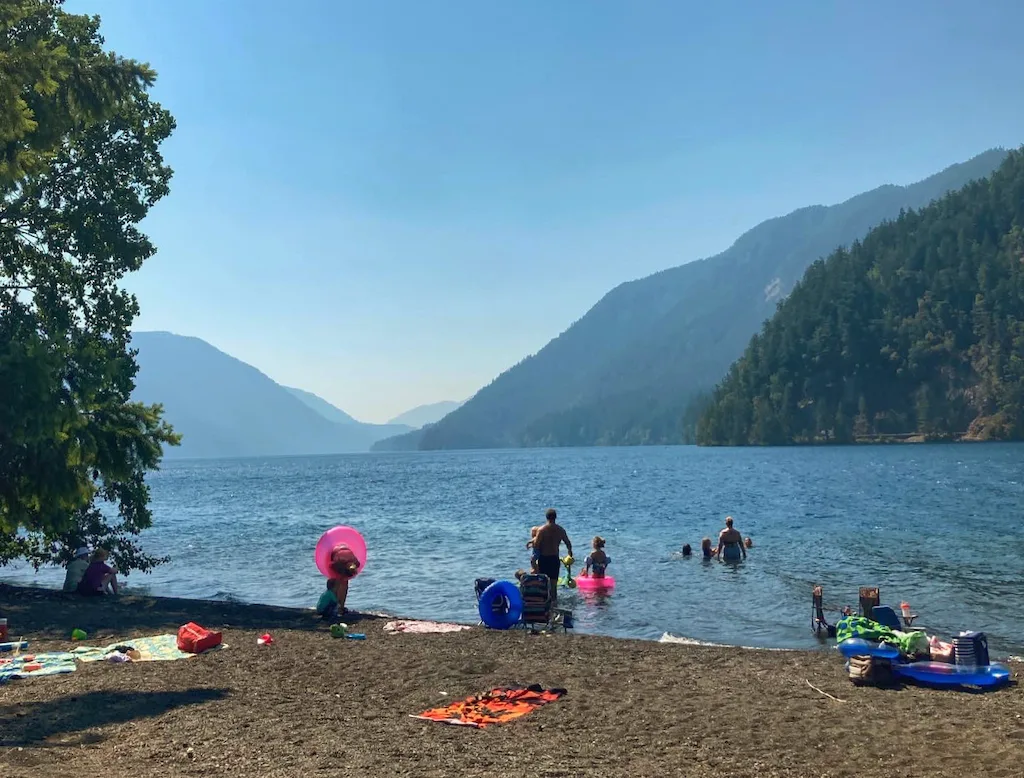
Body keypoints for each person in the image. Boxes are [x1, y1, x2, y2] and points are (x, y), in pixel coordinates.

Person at [531, 508, 573, 600]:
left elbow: (537, 545)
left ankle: (545, 606)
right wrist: (570, 556)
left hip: (544, 559)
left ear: (546, 517)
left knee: (544, 584)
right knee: (554, 586)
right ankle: (554, 605)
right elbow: (568, 544)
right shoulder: (560, 530)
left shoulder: (541, 530)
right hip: (554, 559)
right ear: (555, 517)